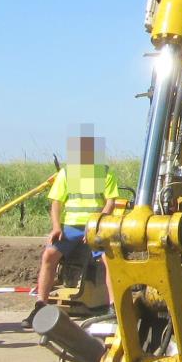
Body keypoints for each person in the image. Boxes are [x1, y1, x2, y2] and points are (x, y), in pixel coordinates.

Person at [31, 133, 119, 312]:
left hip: (95, 227)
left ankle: (114, 307)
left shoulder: (105, 172)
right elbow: (57, 202)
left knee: (109, 261)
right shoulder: (66, 173)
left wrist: (94, 226)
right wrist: (56, 227)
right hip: (70, 228)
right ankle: (40, 305)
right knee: (49, 256)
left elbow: (110, 202)